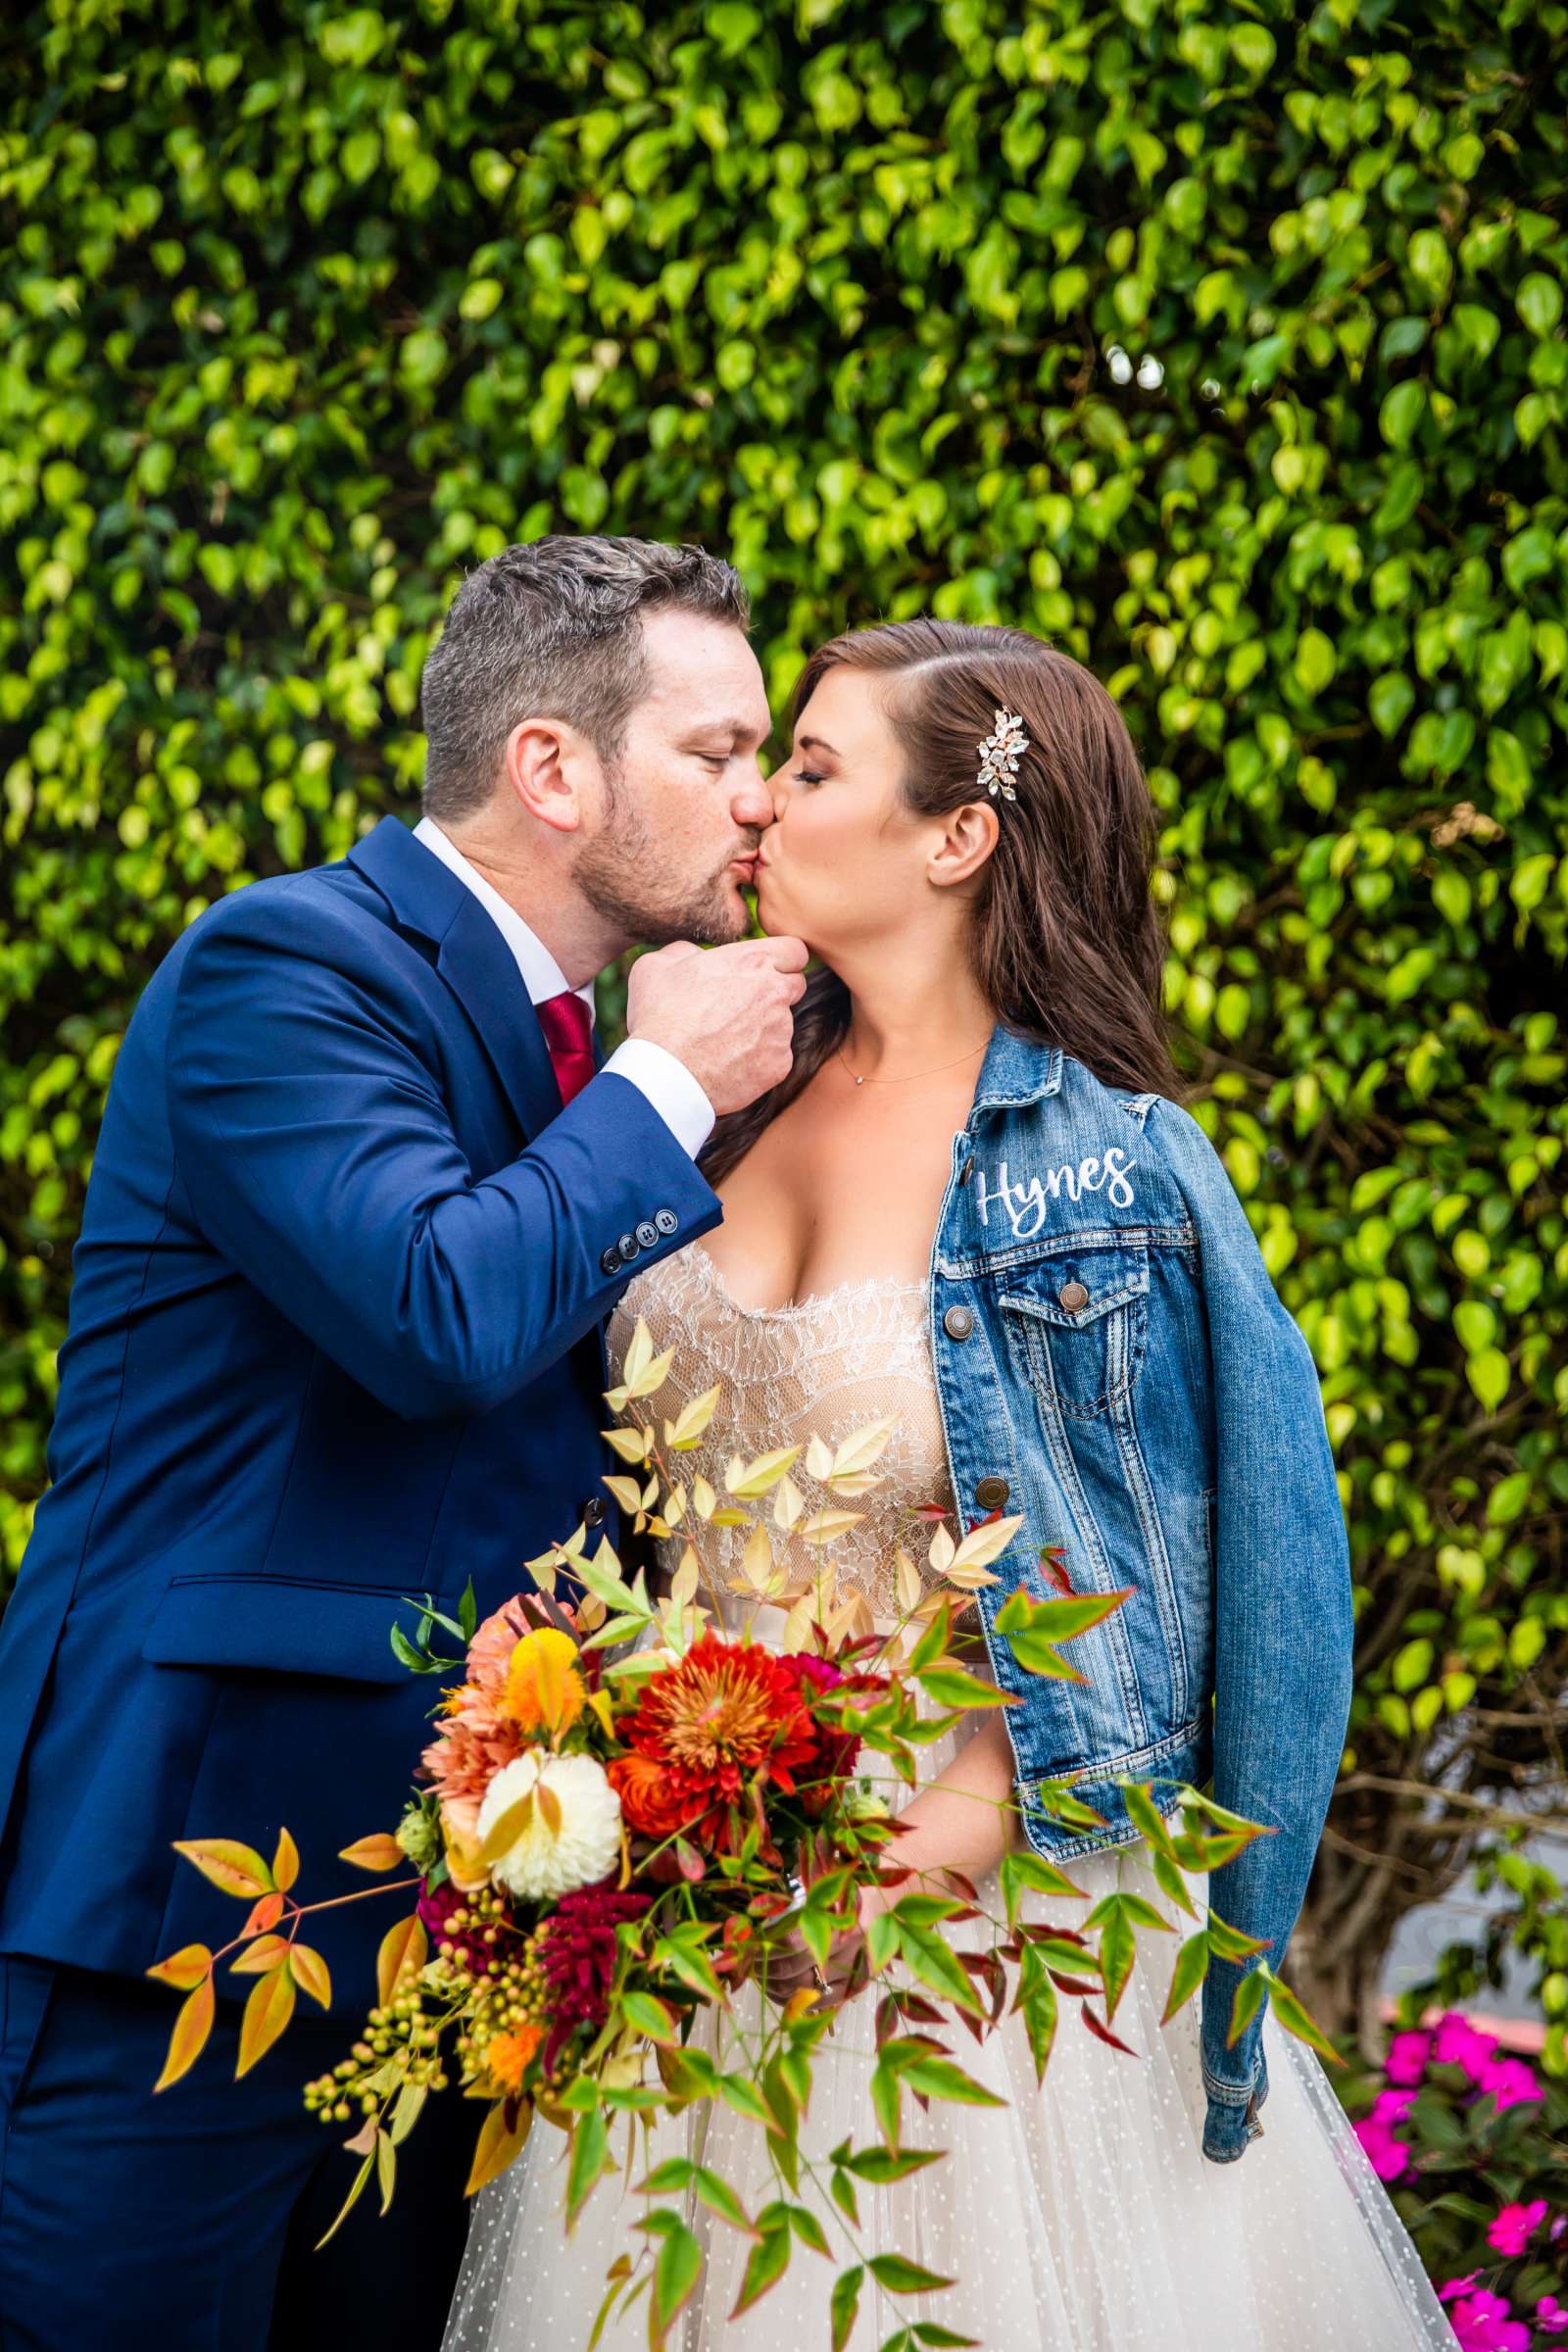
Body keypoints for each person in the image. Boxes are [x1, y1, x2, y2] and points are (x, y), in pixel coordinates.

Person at [446, 620, 1456, 2350]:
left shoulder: (1117, 1173)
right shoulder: (708, 1111)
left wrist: (915, 1856)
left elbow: (1148, 1575)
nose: (759, 801)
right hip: (702, 1913)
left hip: (986, 1928)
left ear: (958, 836)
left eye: (817, 769)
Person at [0, 536, 809, 2352]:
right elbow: (437, 1312)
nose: (756, 799)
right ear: (551, 768)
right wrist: (663, 1085)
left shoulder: (586, 1041)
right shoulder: (283, 970)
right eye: (715, 750)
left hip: (468, 1945)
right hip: (192, 1917)